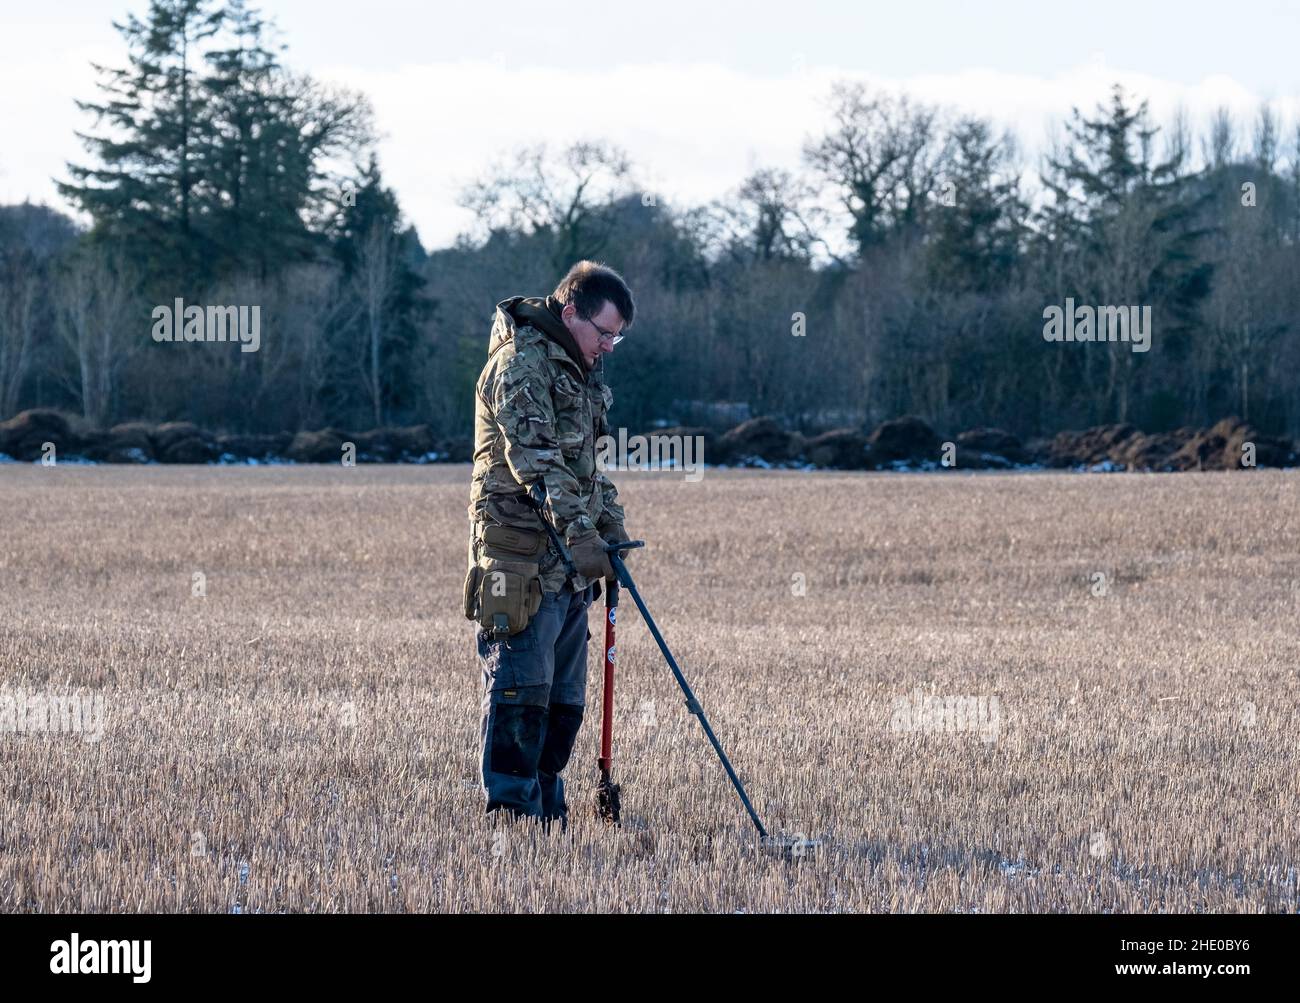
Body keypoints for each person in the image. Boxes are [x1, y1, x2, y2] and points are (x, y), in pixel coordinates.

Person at [464, 260, 634, 830]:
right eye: (604, 332)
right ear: (570, 314)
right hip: (519, 561)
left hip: (569, 569)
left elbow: (588, 472)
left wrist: (611, 531)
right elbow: (537, 464)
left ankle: (547, 816)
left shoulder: (580, 372)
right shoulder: (519, 367)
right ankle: (512, 821)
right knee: (522, 693)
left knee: (564, 702)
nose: (609, 346)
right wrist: (584, 538)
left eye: (618, 336)